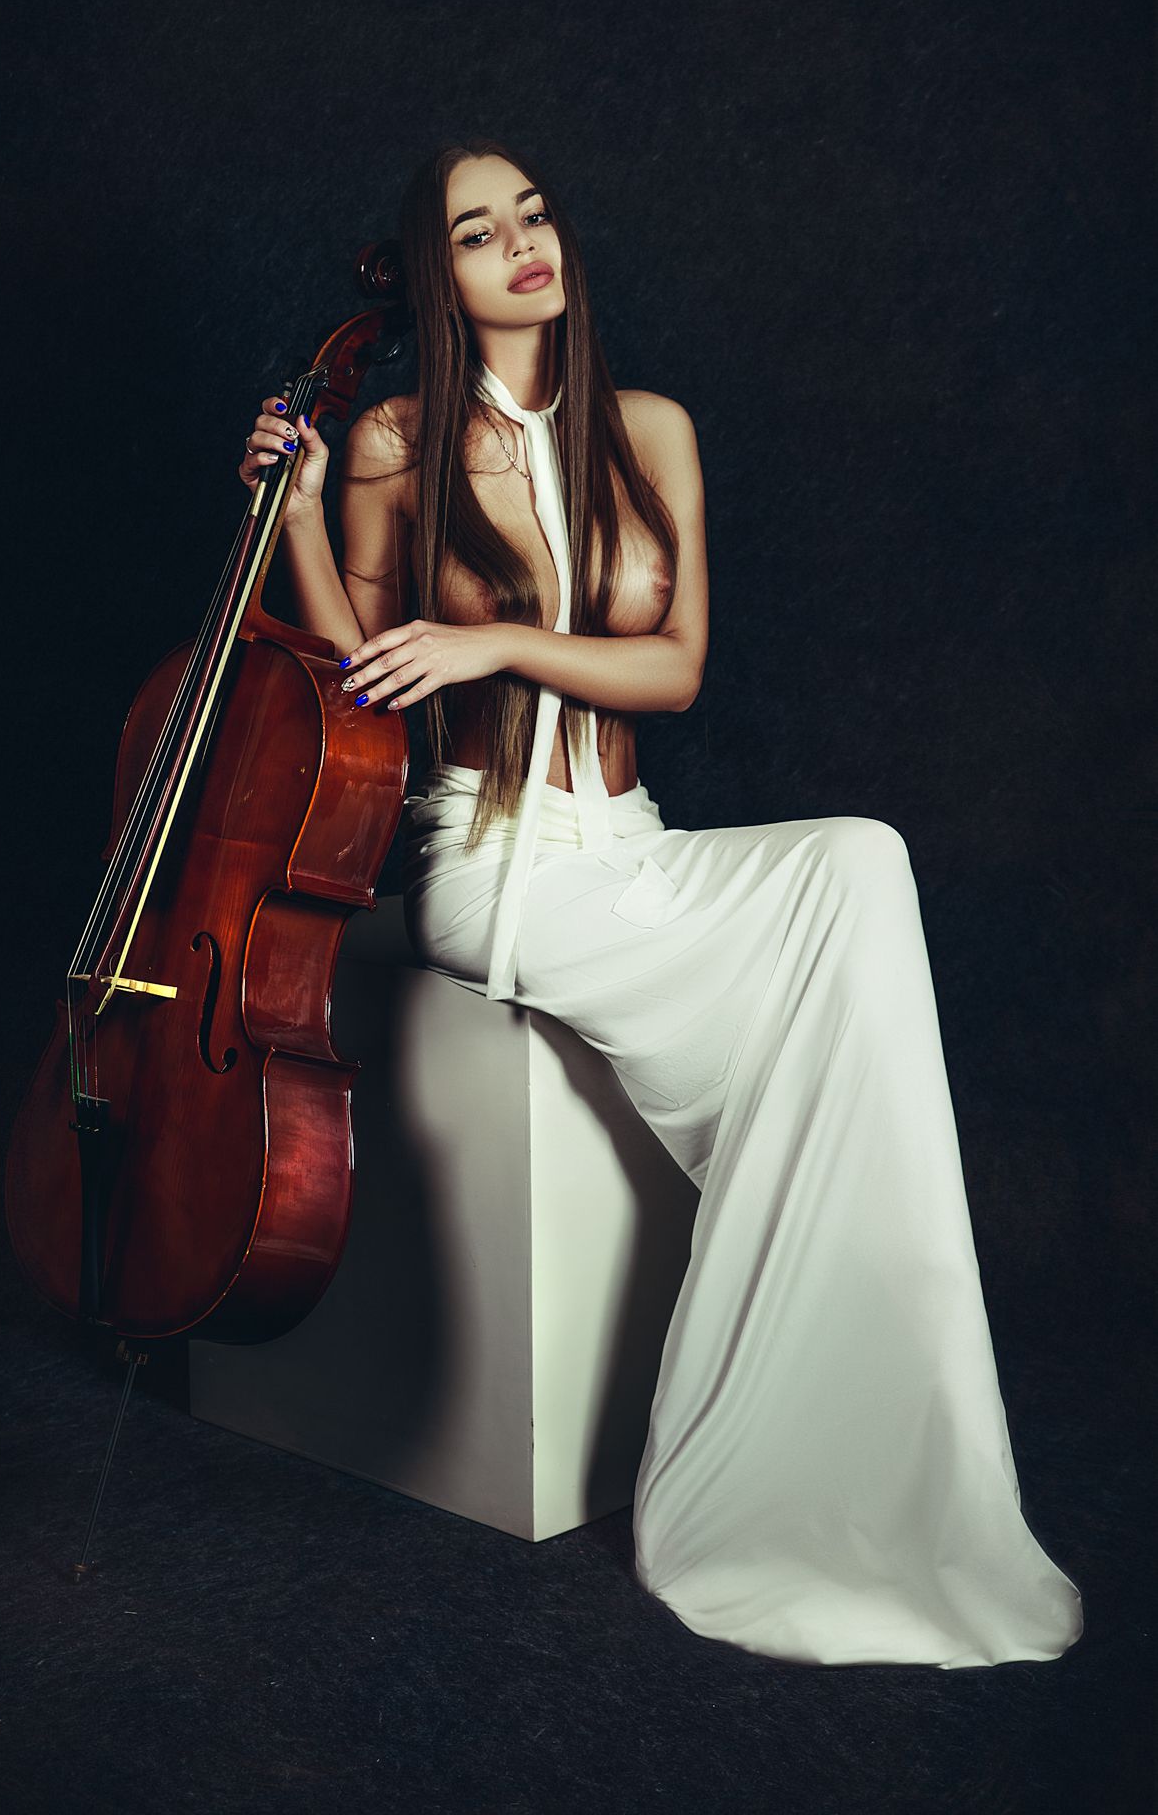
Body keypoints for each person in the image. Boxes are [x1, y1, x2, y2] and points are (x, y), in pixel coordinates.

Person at [236, 137, 1084, 1669]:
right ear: (435, 277)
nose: (522, 243)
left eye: (533, 213)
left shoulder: (650, 431)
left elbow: (674, 670)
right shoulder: (390, 442)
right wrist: (298, 513)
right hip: (495, 867)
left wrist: (497, 642)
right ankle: (784, 1339)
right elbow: (358, 672)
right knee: (807, 1022)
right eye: (477, 232)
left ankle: (856, 1415)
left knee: (857, 860)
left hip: (630, 842)